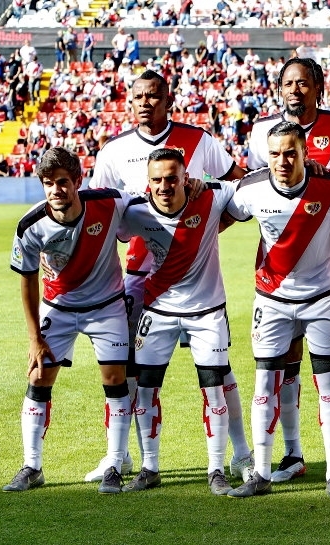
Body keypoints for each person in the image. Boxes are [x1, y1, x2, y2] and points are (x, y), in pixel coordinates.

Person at [87, 69, 250, 484]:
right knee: (130, 371)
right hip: (142, 278)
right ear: (130, 101)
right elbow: (103, 214)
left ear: (168, 99)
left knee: (218, 370)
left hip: (198, 280)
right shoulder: (113, 151)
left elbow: (237, 187)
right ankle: (119, 457)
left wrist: (202, 232)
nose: (146, 103)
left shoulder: (200, 141)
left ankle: (241, 453)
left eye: (154, 96)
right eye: (138, 96)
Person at [225, 121, 330, 502]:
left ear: (306, 153)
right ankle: (262, 473)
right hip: (271, 302)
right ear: (265, 156)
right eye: (275, 154)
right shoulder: (251, 189)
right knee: (264, 386)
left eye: (291, 152)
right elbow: (219, 207)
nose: (283, 161)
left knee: (329, 385)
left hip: (323, 299)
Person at [246, 58, 330, 487]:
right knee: (285, 363)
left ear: (318, 87)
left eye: (303, 83)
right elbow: (248, 190)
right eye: (288, 83)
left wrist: (321, 216)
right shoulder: (262, 131)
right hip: (279, 272)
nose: (295, 90)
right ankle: (292, 454)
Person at [4, 147, 133, 495]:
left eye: (63, 182)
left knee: (115, 380)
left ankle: (115, 464)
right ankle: (32, 466)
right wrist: (34, 337)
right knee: (38, 377)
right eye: (48, 183)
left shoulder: (110, 203)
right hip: (57, 308)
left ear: (78, 181)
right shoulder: (30, 225)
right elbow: (27, 279)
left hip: (106, 306)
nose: (56, 190)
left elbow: (152, 201)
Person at [120, 148, 243, 495]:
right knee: (145, 390)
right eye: (157, 180)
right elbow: (90, 222)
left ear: (186, 178)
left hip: (207, 313)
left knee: (213, 389)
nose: (164, 186)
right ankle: (149, 468)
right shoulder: (136, 211)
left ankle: (216, 468)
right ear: (148, 183)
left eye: (172, 178)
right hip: (157, 309)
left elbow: (253, 183)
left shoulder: (214, 196)